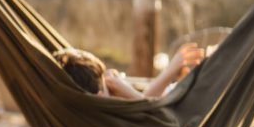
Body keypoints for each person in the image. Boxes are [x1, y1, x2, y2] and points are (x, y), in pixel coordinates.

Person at [53, 43, 205, 99]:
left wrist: (170, 74)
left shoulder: (107, 110)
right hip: (184, 106)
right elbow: (154, 112)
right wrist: (126, 91)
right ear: (99, 95)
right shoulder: (110, 113)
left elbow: (146, 102)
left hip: (173, 95)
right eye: (103, 78)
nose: (109, 78)